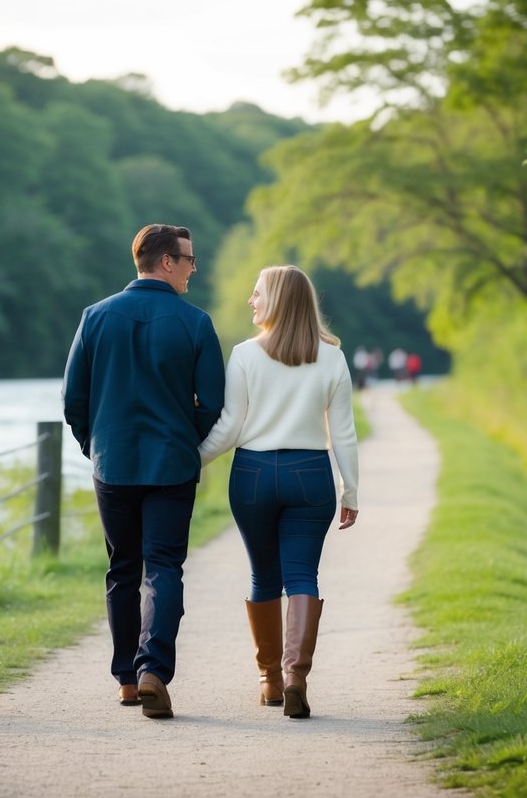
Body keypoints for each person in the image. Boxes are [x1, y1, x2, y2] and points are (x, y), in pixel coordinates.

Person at [63, 223, 225, 719]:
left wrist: (97, 446)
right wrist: (182, 437)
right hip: (171, 465)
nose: (193, 270)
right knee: (163, 567)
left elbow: (74, 401)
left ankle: (128, 681)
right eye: (189, 260)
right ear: (166, 262)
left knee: (122, 569)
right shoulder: (195, 323)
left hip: (113, 465)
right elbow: (214, 404)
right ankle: (154, 668)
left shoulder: (95, 317)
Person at [199, 265, 359, 719]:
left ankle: (269, 680)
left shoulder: (245, 355)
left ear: (277, 301)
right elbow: (342, 434)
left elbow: (230, 427)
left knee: (263, 577)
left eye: (256, 294)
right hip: (309, 473)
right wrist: (351, 491)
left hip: (252, 473)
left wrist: (191, 462)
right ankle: (295, 678)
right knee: (303, 576)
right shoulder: (333, 357)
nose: (250, 301)